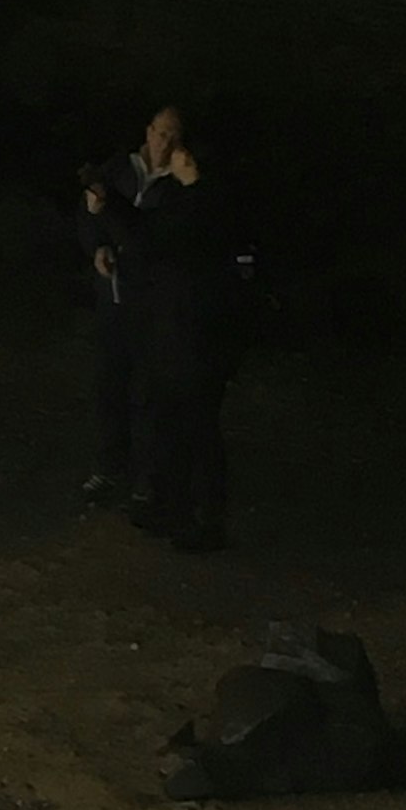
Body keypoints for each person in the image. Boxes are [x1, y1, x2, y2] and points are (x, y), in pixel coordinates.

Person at [116, 111, 253, 551]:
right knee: (166, 421)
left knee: (199, 426)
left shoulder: (215, 194)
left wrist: (195, 185)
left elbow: (223, 235)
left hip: (202, 334)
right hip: (166, 329)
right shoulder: (167, 195)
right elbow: (146, 238)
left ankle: (206, 519)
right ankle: (170, 508)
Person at [78, 105, 186, 501]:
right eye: (160, 133)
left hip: (153, 305)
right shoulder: (118, 170)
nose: (164, 142)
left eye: (173, 136)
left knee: (148, 394)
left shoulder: (179, 185)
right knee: (108, 386)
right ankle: (109, 470)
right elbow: (89, 216)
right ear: (148, 131)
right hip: (113, 298)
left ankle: (148, 479)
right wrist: (98, 246)